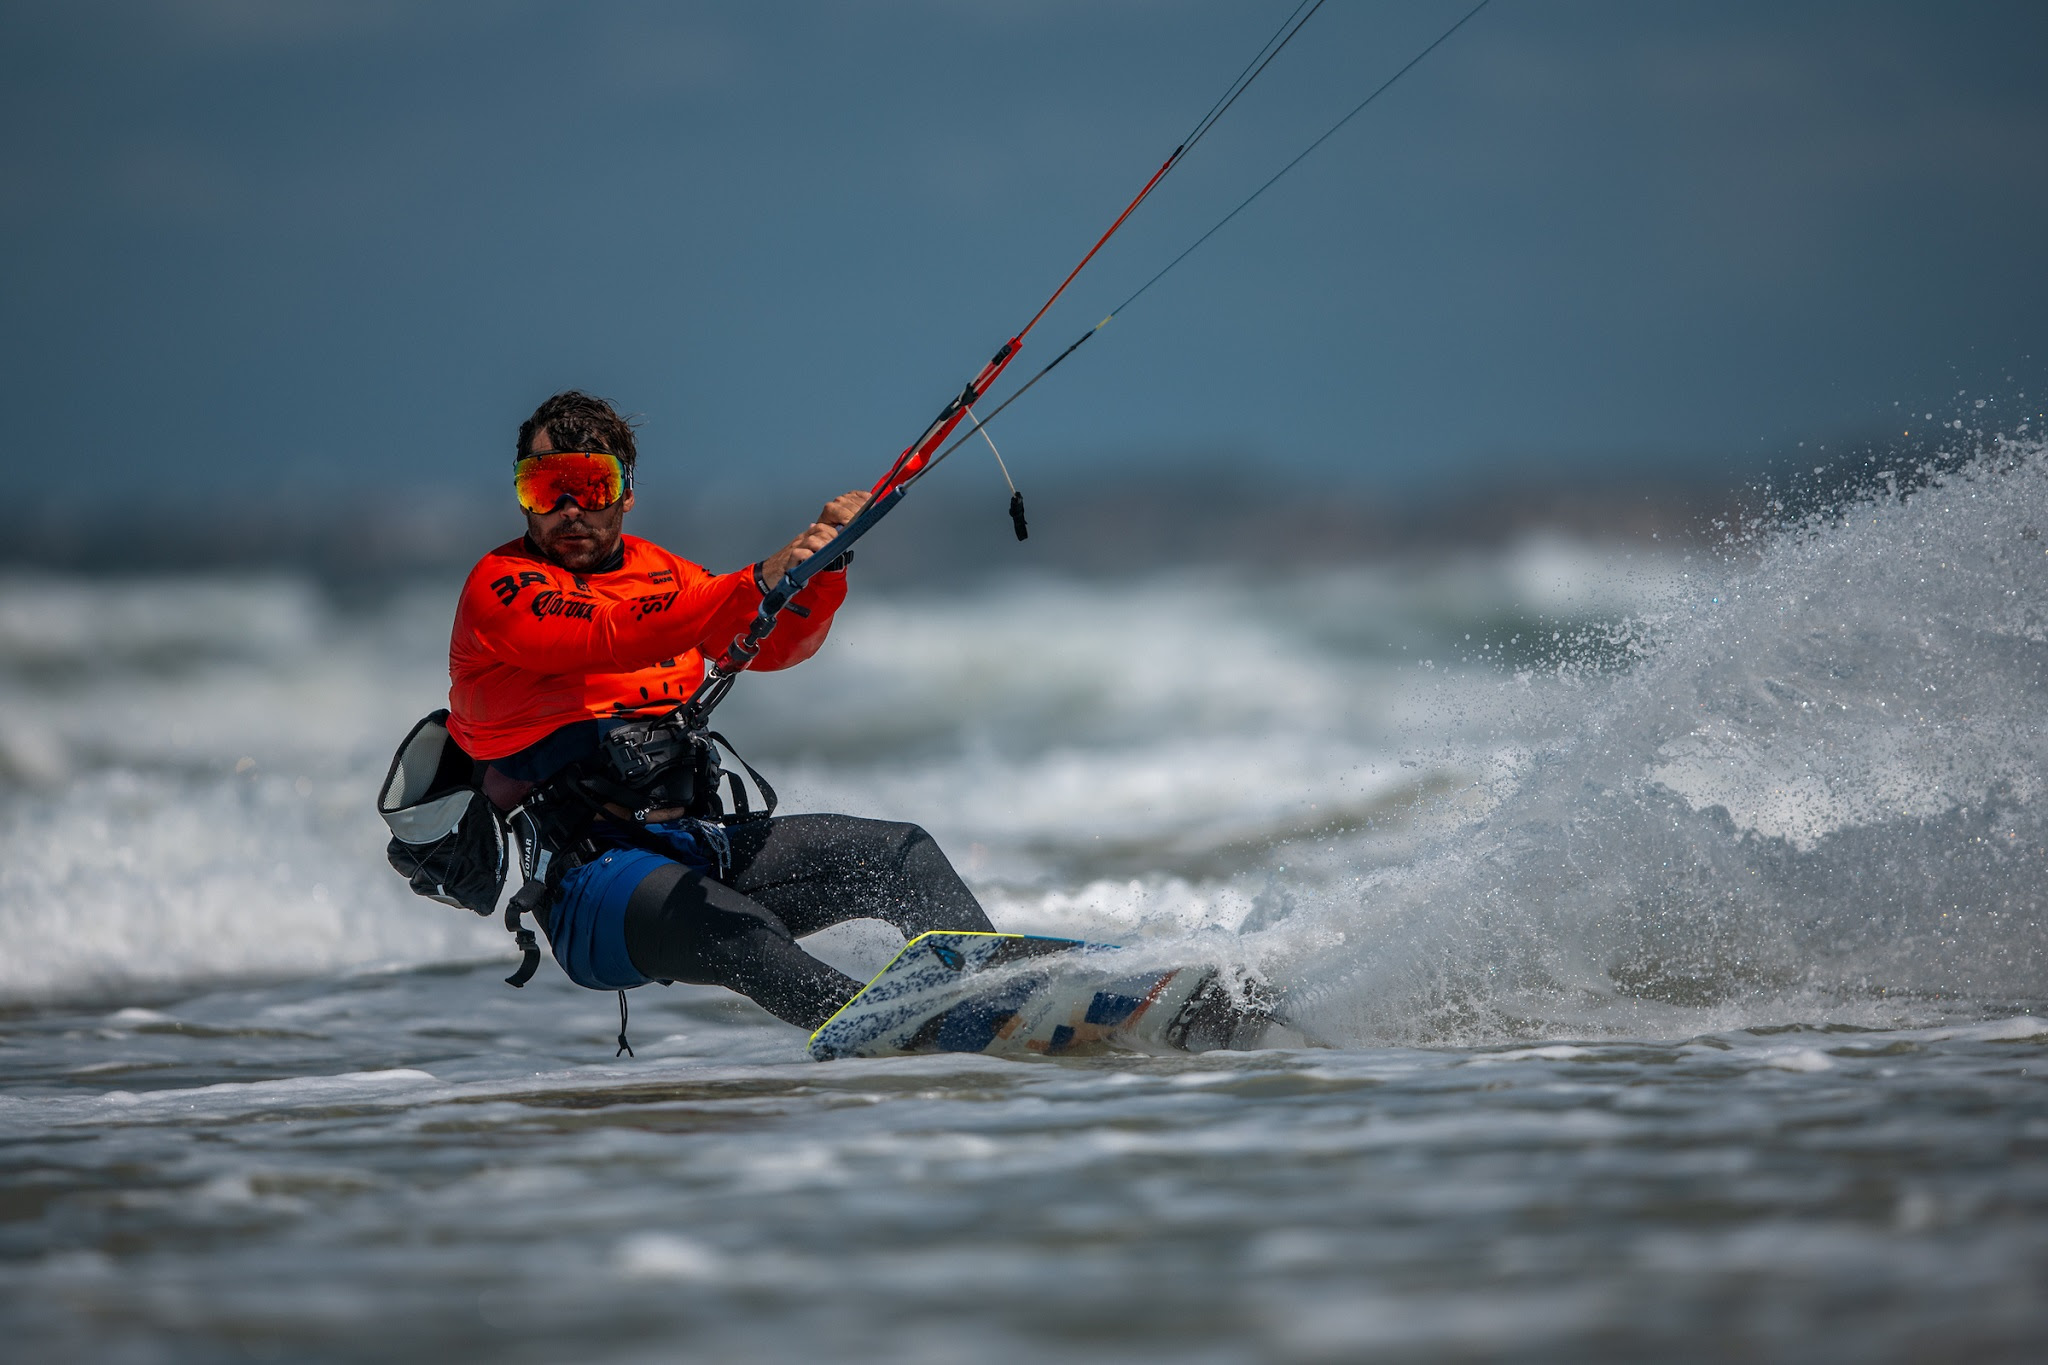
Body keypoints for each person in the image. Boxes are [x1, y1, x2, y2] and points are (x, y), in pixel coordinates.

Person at [445, 390, 995, 1031]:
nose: (568, 510)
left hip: (695, 849)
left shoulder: (666, 573)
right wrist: (757, 577)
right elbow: (613, 631)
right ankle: (912, 1034)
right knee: (745, 932)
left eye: (590, 486)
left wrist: (824, 565)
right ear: (521, 495)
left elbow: (779, 644)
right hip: (590, 887)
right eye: (545, 489)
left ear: (626, 493)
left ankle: (998, 1001)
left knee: (901, 856)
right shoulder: (501, 586)